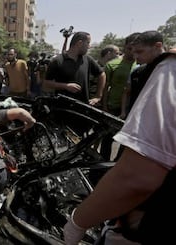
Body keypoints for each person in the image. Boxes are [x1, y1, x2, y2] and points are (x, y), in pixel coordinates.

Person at [63, 31, 176, 244]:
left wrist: (78, 221)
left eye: (141, 51)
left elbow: (137, 177)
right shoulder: (145, 70)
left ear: (158, 46)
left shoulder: (170, 71)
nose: (137, 56)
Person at [99, 33, 138, 161]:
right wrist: (104, 107)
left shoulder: (140, 66)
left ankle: (115, 165)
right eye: (129, 48)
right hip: (112, 107)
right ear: (125, 46)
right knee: (107, 140)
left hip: (132, 109)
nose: (132, 51)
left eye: (136, 48)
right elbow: (105, 88)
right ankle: (101, 165)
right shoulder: (112, 65)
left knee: (126, 142)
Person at [43, 31, 106, 105]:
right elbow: (46, 84)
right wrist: (65, 86)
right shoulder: (57, 60)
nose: (89, 46)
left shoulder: (88, 59)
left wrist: (98, 96)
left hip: (83, 106)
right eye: (88, 43)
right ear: (79, 43)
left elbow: (102, 74)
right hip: (62, 107)